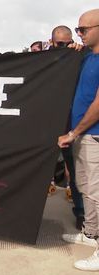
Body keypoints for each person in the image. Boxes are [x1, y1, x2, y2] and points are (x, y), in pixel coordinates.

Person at [58, 8, 99, 271]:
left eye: (83, 29)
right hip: (83, 136)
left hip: (94, 135)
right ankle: (90, 233)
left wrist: (74, 132)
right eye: (78, 30)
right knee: (85, 188)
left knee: (96, 193)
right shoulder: (86, 57)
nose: (79, 34)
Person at [49, 25, 85, 228]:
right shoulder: (43, 61)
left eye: (68, 43)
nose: (64, 47)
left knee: (76, 173)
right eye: (60, 44)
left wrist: (80, 51)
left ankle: (81, 214)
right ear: (52, 41)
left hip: (70, 127)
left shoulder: (79, 58)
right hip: (45, 126)